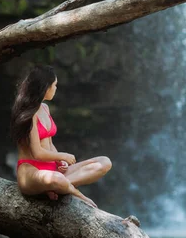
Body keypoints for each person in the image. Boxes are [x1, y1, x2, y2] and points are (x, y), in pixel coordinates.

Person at [11, 65, 112, 208]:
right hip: (32, 172)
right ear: (45, 87)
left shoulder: (45, 108)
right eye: (54, 85)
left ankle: (54, 188)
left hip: (52, 170)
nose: (56, 89)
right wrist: (63, 156)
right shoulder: (29, 114)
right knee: (57, 178)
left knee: (104, 162)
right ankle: (77, 194)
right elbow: (37, 153)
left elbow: (49, 143)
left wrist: (59, 161)